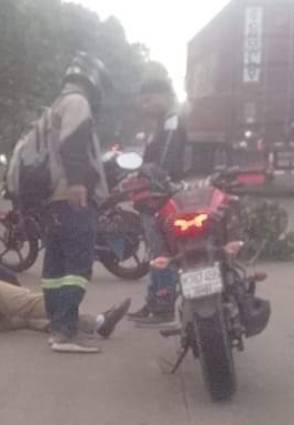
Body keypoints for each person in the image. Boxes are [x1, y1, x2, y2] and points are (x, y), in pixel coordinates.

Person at [36, 52, 111, 353]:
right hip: (72, 196)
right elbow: (73, 143)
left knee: (55, 267)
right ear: (93, 81)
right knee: (77, 266)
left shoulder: (55, 106)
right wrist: (78, 183)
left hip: (54, 199)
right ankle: (66, 332)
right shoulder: (78, 103)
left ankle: (57, 326)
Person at [0, 256, 131, 340]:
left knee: (21, 321)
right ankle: (97, 322)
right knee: (31, 304)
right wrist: (16, 290)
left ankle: (61, 326)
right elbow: (6, 274)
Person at [127, 78, 187, 327]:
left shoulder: (172, 124)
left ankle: (162, 306)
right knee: (156, 251)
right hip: (159, 195)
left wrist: (144, 175)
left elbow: (164, 164)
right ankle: (154, 302)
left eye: (149, 99)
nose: (144, 105)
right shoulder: (163, 124)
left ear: (164, 96)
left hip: (162, 197)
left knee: (161, 251)